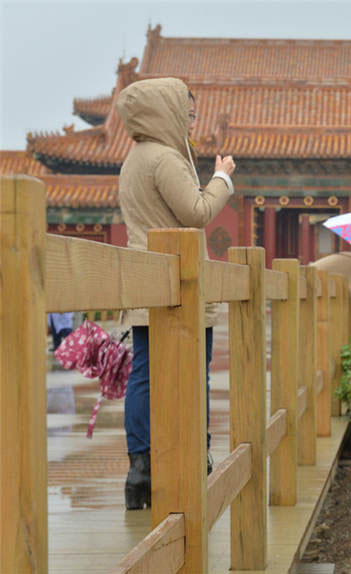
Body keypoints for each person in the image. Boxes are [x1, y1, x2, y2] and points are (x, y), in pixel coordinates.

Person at [117, 77, 236, 510]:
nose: (191, 119)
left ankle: (141, 466)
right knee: (191, 373)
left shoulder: (134, 159)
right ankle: (191, 454)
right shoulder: (165, 158)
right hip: (179, 289)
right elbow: (197, 212)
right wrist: (222, 177)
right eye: (187, 112)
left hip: (147, 285)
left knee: (144, 374)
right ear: (166, 111)